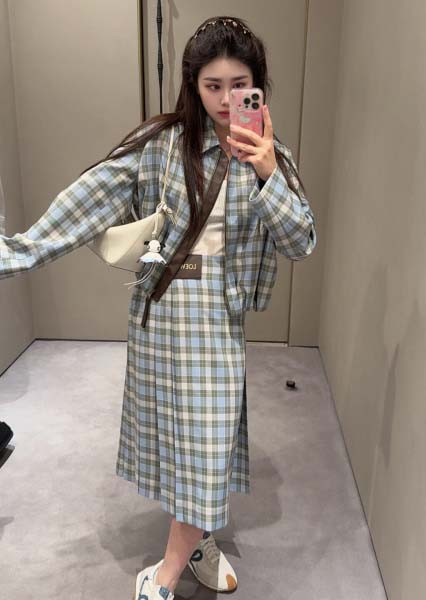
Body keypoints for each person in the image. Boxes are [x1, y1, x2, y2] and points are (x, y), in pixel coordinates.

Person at [0, 15, 317, 600]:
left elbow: (301, 241)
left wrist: (267, 170)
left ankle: (168, 569)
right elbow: (85, 202)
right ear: (193, 84)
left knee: (207, 436)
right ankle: (196, 540)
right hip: (162, 310)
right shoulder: (161, 146)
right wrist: (15, 253)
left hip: (217, 319)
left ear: (258, 87)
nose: (226, 99)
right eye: (212, 85)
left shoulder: (271, 157)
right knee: (179, 439)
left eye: (239, 85)